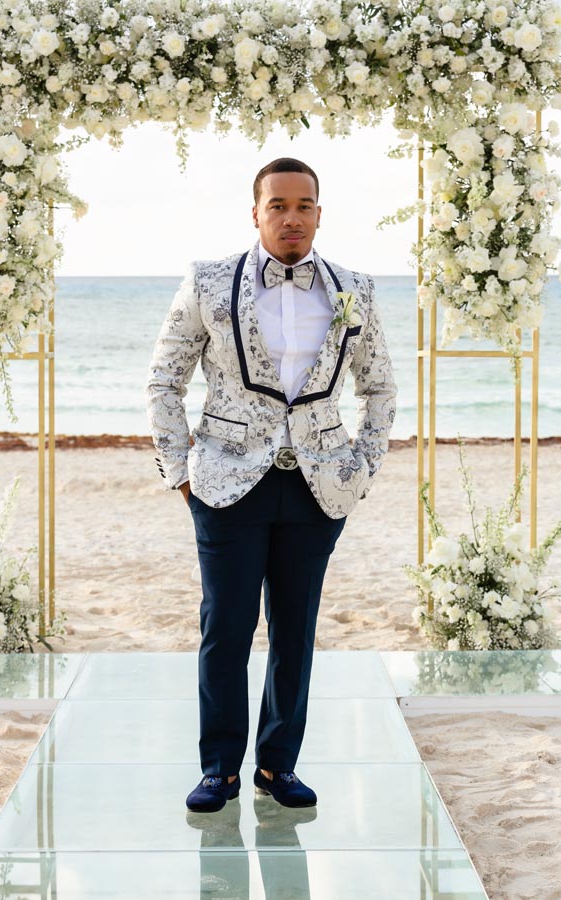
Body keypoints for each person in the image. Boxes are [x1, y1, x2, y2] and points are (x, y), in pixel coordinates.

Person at [145, 157, 397, 813]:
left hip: (319, 486)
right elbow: (164, 380)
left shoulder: (355, 289)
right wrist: (178, 471)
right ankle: (219, 770)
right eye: (278, 205)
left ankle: (277, 766)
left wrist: (363, 467)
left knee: (295, 632)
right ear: (255, 213)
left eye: (303, 205)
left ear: (319, 213)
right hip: (226, 483)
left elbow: (379, 388)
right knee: (225, 629)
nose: (291, 217)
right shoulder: (208, 281)